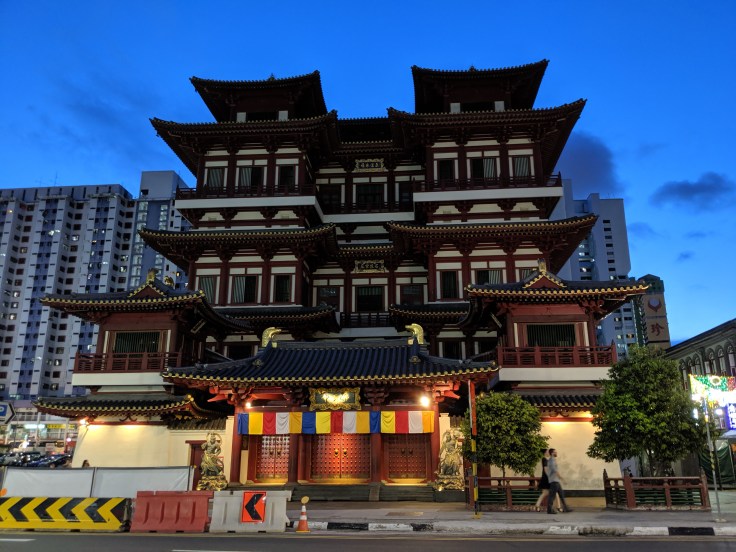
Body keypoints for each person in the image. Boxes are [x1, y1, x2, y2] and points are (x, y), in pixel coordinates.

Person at [546, 448, 572, 514]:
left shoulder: (553, 460)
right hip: (554, 481)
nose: (556, 453)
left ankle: (566, 508)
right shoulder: (551, 461)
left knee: (561, 495)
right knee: (552, 496)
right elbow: (555, 471)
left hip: (556, 480)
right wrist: (562, 478)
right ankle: (549, 510)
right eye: (555, 452)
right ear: (552, 453)